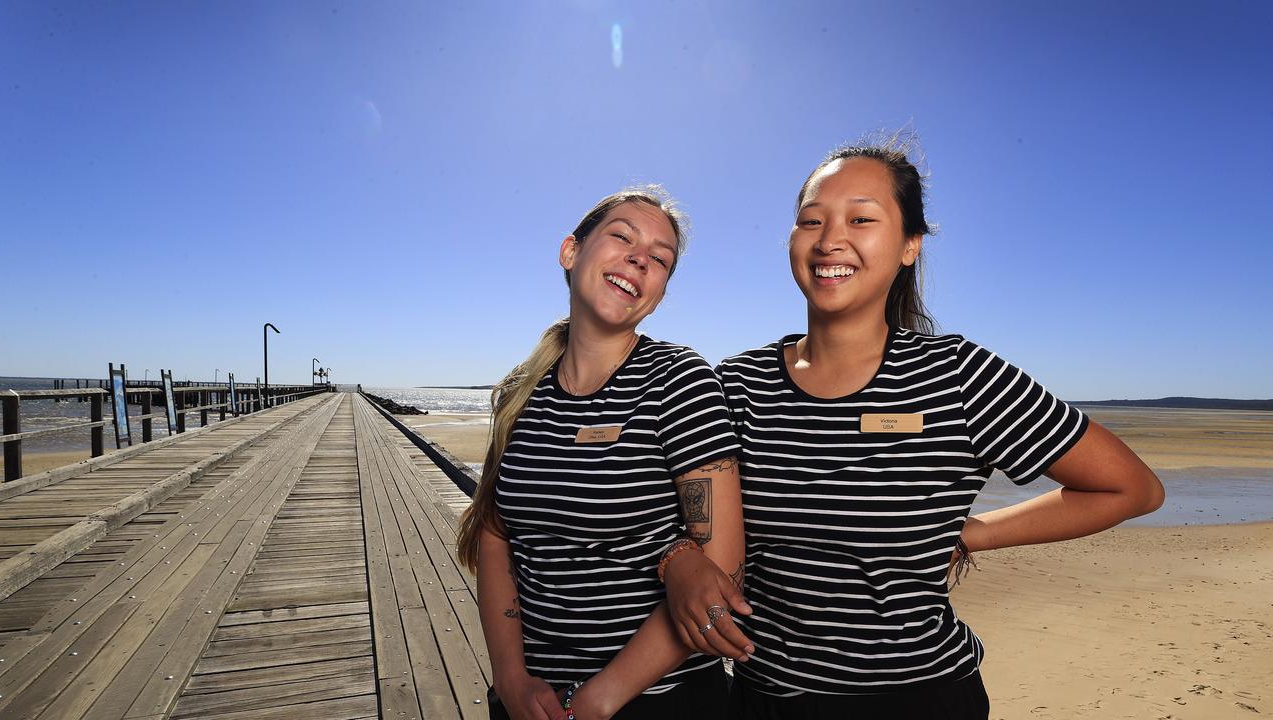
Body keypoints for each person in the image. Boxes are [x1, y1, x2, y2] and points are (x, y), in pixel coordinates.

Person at [707, 136, 1165, 719]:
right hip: (759, 698)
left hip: (918, 698)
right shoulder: (737, 383)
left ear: (909, 246)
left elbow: (1134, 489)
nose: (830, 240)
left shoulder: (959, 376)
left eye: (861, 219)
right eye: (811, 221)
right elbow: (654, 508)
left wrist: (972, 534)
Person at [456, 187, 752, 720]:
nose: (641, 257)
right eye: (622, 236)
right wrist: (511, 678)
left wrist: (601, 697)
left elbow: (721, 563)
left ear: (658, 291)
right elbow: (496, 535)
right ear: (571, 252)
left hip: (659, 701)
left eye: (660, 258)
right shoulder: (519, 393)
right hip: (532, 701)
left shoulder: (680, 382)